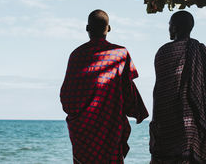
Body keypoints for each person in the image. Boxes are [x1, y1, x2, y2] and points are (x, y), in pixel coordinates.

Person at [60, 9, 149, 164]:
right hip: (110, 127)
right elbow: (128, 90)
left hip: (82, 130)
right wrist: (136, 110)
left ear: (87, 28)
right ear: (109, 28)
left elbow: (66, 97)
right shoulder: (120, 54)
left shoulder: (76, 55)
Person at [149, 11, 206, 164]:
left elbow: (161, 93)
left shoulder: (165, 52)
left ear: (175, 28)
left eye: (170, 25)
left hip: (169, 123)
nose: (169, 29)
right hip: (196, 122)